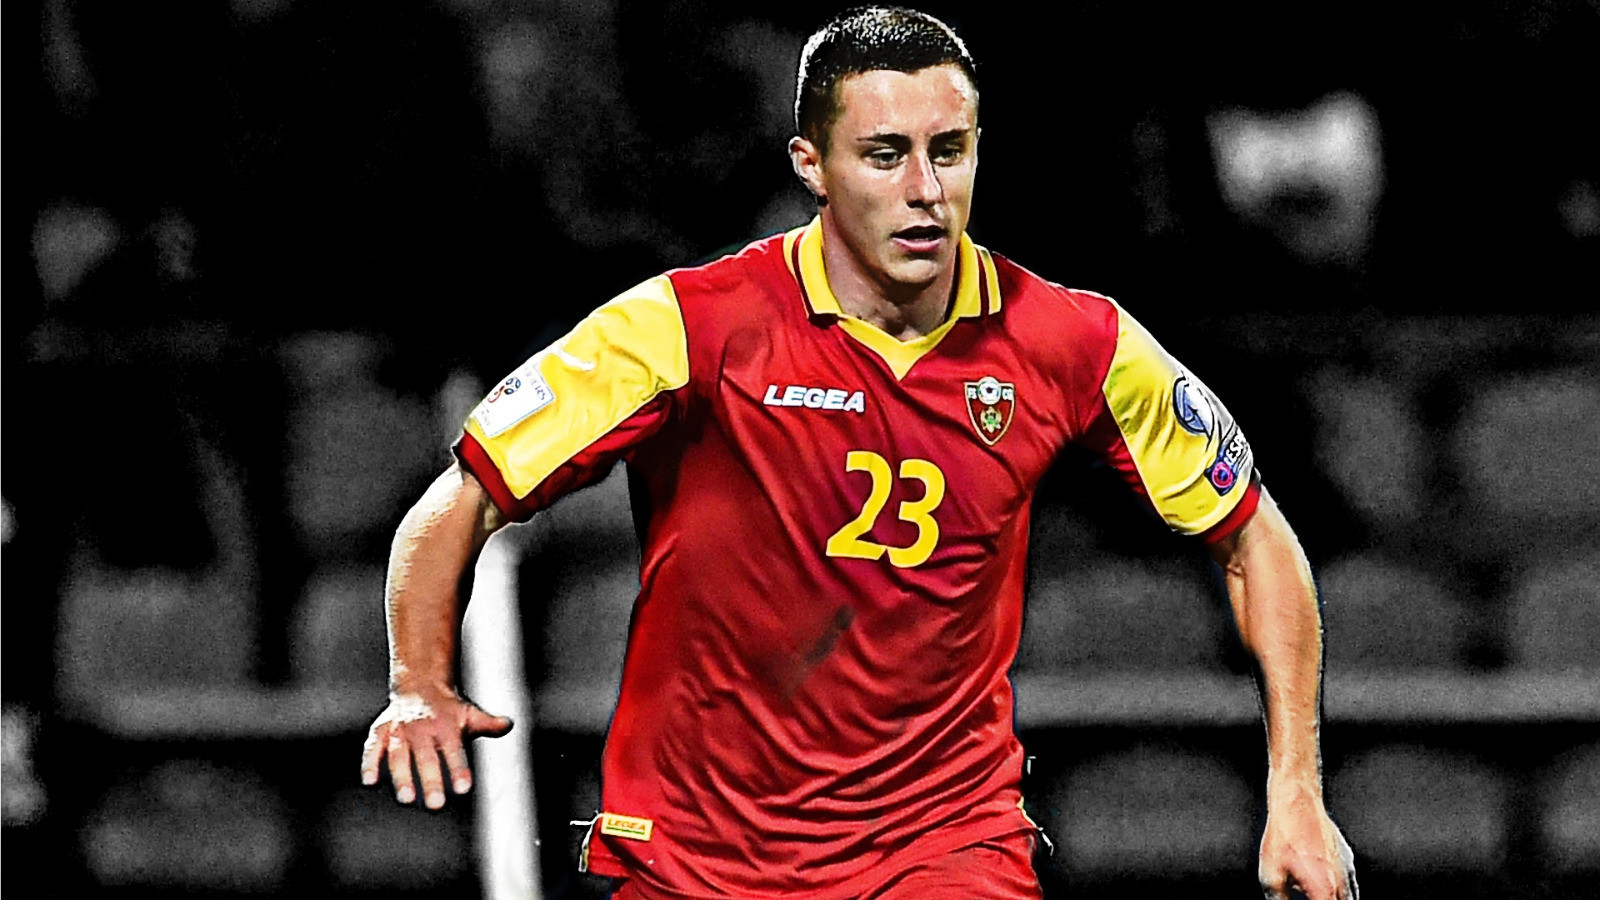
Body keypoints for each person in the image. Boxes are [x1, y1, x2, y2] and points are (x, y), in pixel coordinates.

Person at [360, 7, 1358, 899]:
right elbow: (459, 501)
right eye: (885, 155)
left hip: (943, 849)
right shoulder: (686, 327)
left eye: (949, 151)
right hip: (704, 856)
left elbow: (1255, 537)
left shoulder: (1072, 342)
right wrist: (417, 680)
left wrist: (1297, 793)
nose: (925, 190)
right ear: (812, 166)